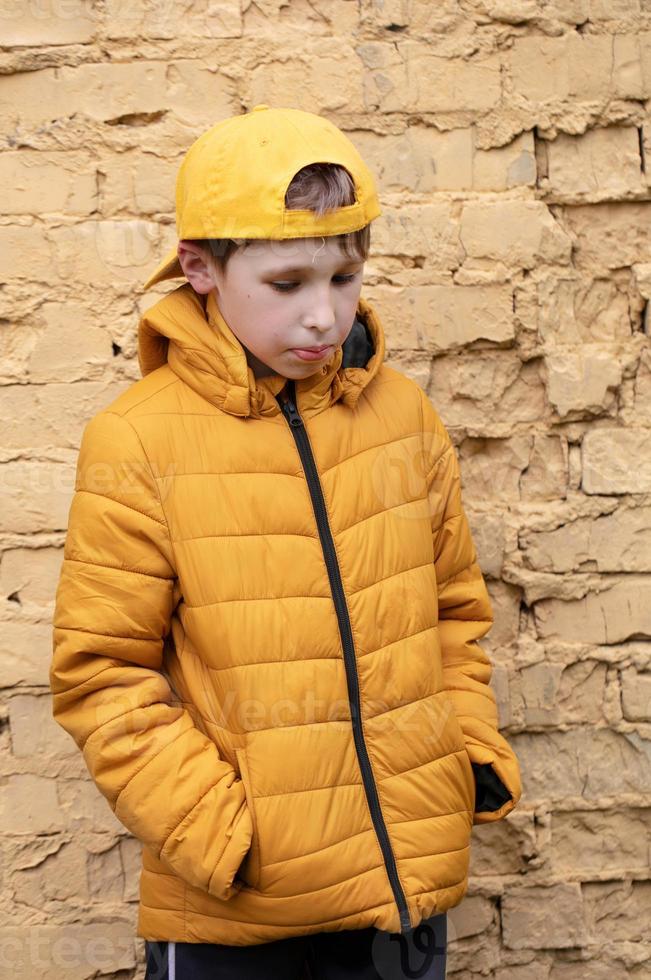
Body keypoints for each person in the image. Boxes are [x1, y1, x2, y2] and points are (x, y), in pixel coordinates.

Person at [50, 105, 522, 979]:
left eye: (344, 278)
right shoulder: (139, 440)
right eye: (286, 283)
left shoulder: (402, 416)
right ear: (201, 269)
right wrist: (224, 838)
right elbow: (102, 675)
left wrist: (466, 757)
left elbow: (453, 610)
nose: (323, 316)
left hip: (403, 898)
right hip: (240, 916)